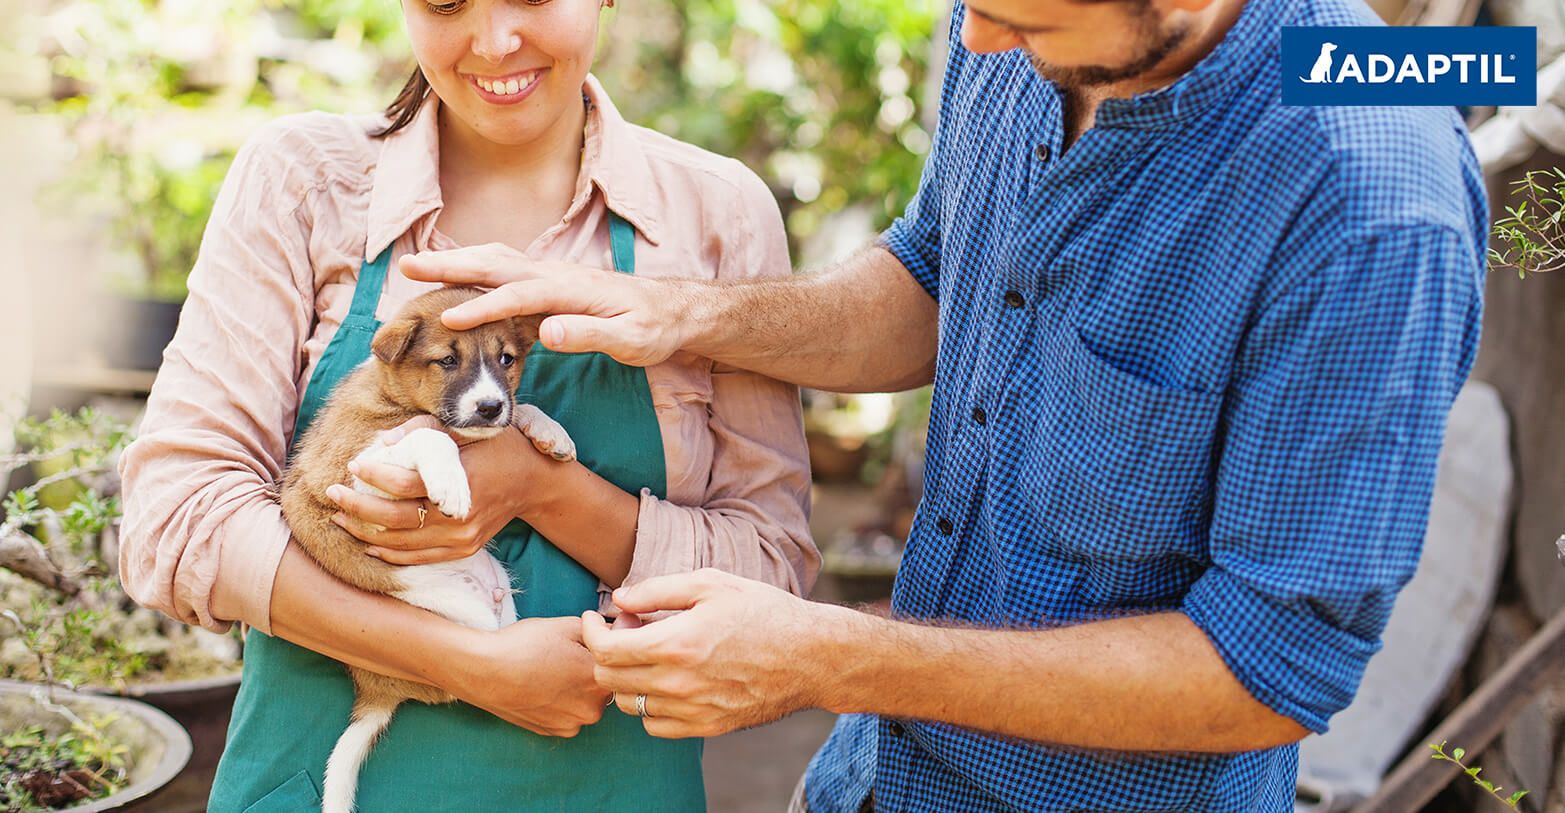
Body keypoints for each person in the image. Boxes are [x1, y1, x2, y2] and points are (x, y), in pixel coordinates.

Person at [406, 0, 1490, 810]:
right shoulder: (1009, 38)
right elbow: (933, 277)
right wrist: (681, 313)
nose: (973, 43)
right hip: (875, 777)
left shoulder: (1370, 201)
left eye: (1027, 19)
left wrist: (824, 656)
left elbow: (1266, 670)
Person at [116, 0, 816, 809]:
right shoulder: (306, 182)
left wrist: (539, 487)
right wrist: (465, 662)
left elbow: (772, 577)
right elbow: (173, 520)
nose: (493, 42)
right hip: (322, 782)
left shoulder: (714, 216)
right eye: (445, 2)